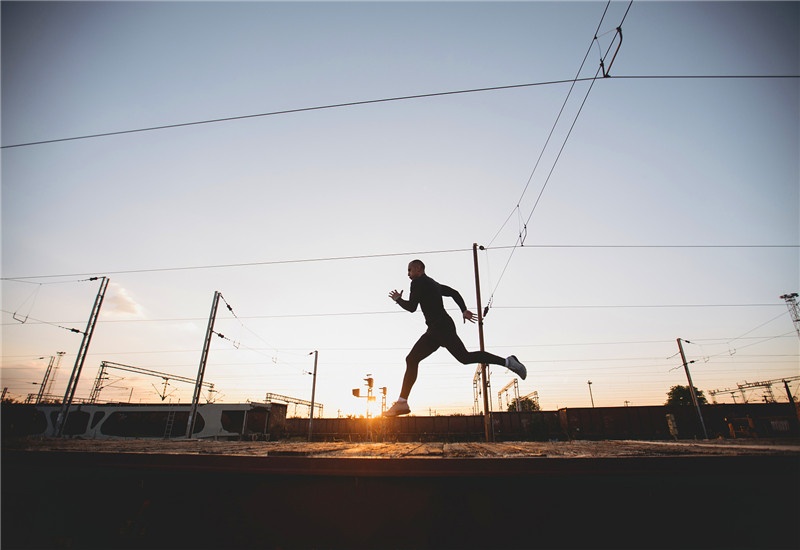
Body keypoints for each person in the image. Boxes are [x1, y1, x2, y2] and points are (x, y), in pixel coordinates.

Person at [383, 259, 527, 417]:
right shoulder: (434, 284)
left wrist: (398, 299)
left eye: (409, 270)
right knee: (411, 359)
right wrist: (463, 309)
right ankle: (402, 402)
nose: (408, 274)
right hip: (436, 329)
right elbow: (454, 293)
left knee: (464, 357)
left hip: (441, 328)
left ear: (418, 269)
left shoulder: (418, 282)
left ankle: (508, 362)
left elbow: (411, 307)